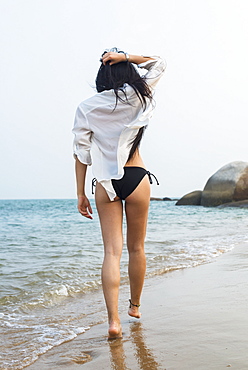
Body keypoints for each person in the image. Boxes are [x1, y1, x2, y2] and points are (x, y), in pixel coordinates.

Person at [72, 48, 166, 339]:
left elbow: (80, 155)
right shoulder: (138, 95)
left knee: (111, 253)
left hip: (106, 183)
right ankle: (134, 306)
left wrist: (80, 194)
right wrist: (126, 56)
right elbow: (159, 63)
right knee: (137, 248)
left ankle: (114, 322)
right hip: (137, 177)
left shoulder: (87, 107)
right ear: (126, 72)